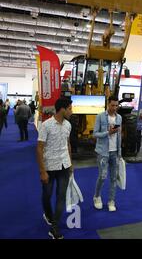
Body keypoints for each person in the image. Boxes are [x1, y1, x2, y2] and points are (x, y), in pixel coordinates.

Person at [36, 97, 73, 239]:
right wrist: (42, 171)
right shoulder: (46, 125)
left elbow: (67, 144)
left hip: (64, 165)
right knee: (47, 195)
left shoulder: (68, 125)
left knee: (61, 196)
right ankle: (48, 214)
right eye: (70, 108)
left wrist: (70, 164)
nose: (71, 111)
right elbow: (39, 149)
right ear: (62, 109)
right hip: (49, 167)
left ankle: (54, 227)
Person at [93, 96, 122, 212]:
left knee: (114, 178)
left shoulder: (119, 118)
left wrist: (120, 152)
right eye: (112, 105)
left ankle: (111, 200)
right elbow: (95, 134)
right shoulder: (100, 116)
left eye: (116, 105)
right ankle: (97, 197)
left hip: (115, 152)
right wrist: (108, 132)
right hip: (103, 152)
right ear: (108, 104)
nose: (114, 108)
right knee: (102, 176)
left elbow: (119, 136)